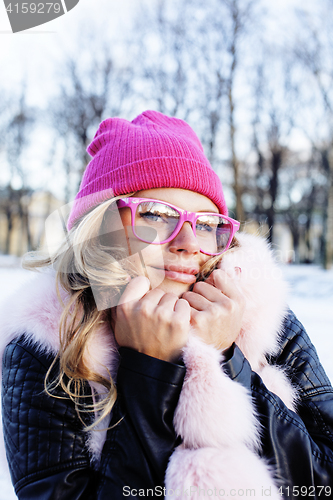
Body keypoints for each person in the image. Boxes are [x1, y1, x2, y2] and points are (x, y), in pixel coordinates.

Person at [1, 110, 333, 500]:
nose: (190, 243)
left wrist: (230, 358)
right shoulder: (47, 344)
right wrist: (149, 372)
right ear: (102, 229)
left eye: (206, 224)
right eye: (157, 216)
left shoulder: (261, 314)